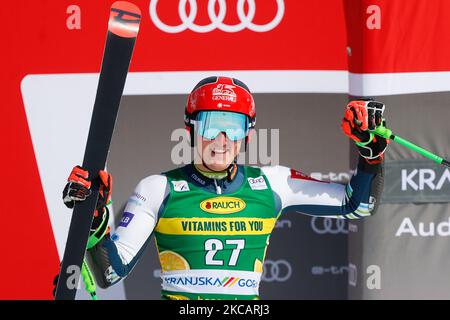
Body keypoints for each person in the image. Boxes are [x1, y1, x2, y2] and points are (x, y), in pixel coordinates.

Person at [61, 76, 387, 300]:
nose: (221, 141)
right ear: (190, 129)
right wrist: (93, 219)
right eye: (210, 126)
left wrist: (371, 153)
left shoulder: (273, 182)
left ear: (247, 134)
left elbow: (358, 205)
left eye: (233, 128)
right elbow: (109, 274)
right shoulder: (160, 188)